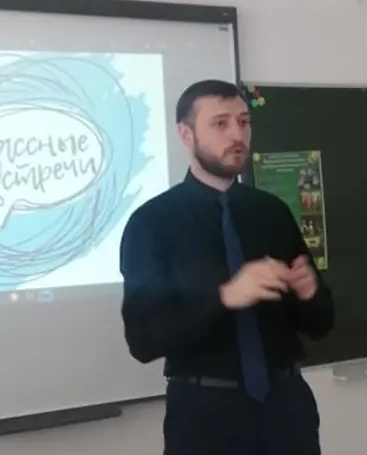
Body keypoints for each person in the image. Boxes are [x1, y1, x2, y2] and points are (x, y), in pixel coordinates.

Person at [119, 79, 335, 455]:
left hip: (286, 409)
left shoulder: (271, 212)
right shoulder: (151, 223)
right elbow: (143, 340)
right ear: (186, 134)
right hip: (205, 417)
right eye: (221, 123)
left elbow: (321, 324)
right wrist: (224, 297)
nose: (237, 134)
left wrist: (309, 294)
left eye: (243, 122)